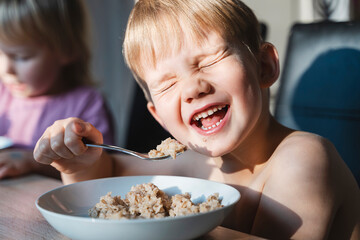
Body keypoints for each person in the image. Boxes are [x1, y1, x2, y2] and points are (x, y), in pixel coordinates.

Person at [33, 0, 359, 239]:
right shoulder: (191, 164)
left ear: (264, 66)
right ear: (159, 118)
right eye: (168, 83)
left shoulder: (304, 159)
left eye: (208, 61)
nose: (192, 89)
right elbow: (107, 176)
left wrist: (172, 228)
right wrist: (77, 164)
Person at [0, 0, 115, 179]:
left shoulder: (86, 104)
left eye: (21, 57)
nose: (6, 69)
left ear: (67, 50)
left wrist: (32, 161)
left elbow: (105, 168)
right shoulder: (2, 94)